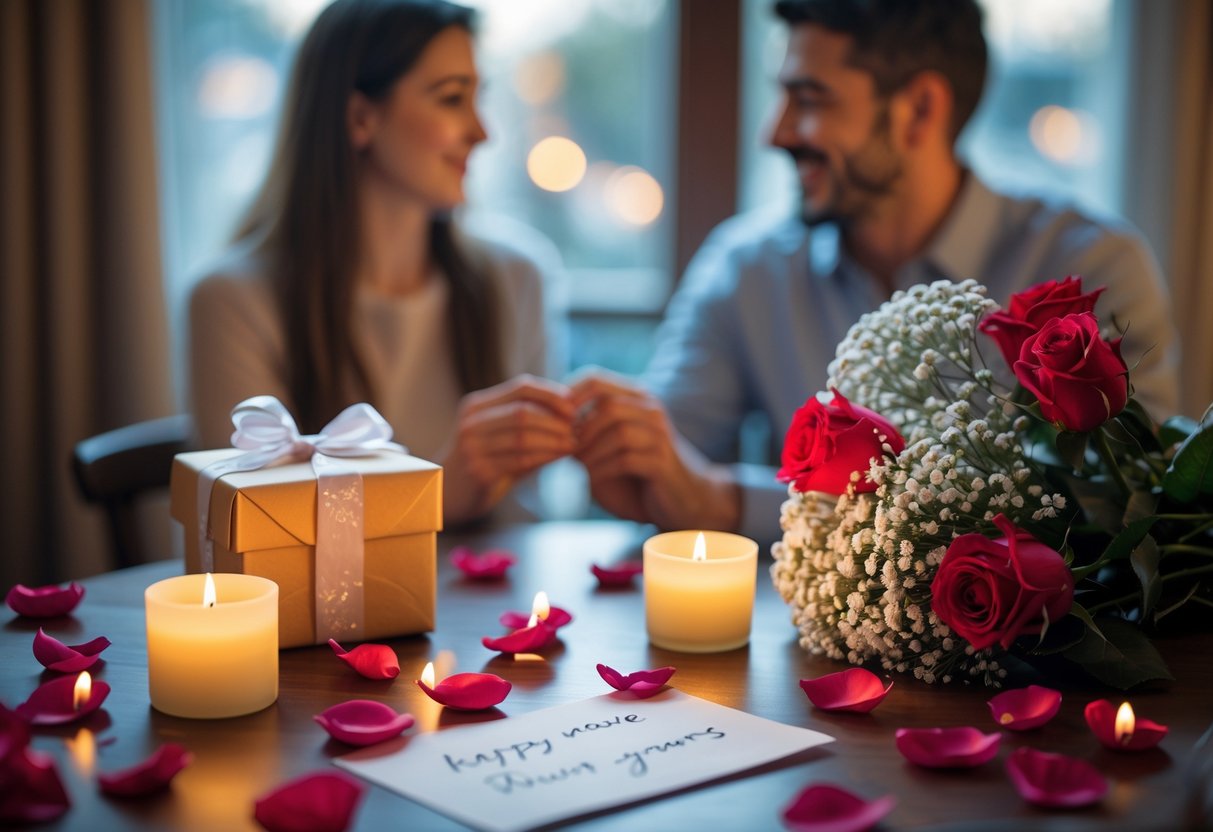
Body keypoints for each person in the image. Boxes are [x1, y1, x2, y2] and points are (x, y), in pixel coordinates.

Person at [572, 0, 1180, 544]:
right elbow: (667, 462)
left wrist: (731, 503)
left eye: (809, 100)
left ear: (919, 110)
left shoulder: (1093, 265)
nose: (775, 132)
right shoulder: (744, 269)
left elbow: (1122, 508)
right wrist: (618, 447)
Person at [188, 0, 575, 526]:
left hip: (494, 606)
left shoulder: (519, 278)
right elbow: (250, 536)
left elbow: (528, 516)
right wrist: (440, 493)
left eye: (478, 98)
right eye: (452, 99)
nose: (482, 132)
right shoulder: (232, 300)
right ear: (360, 118)